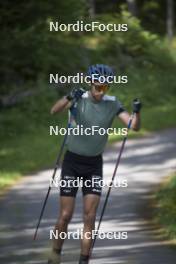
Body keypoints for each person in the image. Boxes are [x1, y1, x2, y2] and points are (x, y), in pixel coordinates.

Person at [48, 64, 142, 264]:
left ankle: (84, 260)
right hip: (72, 162)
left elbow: (133, 126)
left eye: (105, 87)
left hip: (93, 166)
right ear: (91, 83)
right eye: (98, 87)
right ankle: (54, 255)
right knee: (65, 215)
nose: (101, 91)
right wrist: (69, 96)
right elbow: (53, 111)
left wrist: (137, 112)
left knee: (90, 217)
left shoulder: (112, 103)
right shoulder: (78, 99)